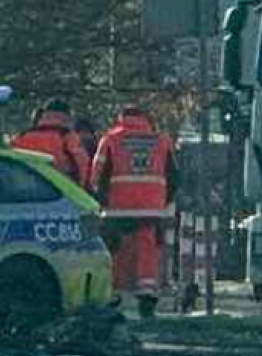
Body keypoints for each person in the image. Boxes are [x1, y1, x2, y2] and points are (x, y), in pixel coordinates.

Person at [91, 106, 177, 318]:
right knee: (147, 251)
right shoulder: (162, 140)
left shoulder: (111, 139)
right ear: (147, 119)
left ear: (121, 118)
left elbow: (97, 175)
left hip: (116, 210)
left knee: (114, 253)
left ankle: (111, 295)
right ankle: (146, 295)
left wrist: (101, 200)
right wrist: (163, 201)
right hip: (151, 209)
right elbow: (174, 176)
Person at [11, 100, 92, 182]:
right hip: (58, 188)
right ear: (68, 115)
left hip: (22, 188)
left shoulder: (22, 136)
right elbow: (83, 165)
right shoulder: (67, 137)